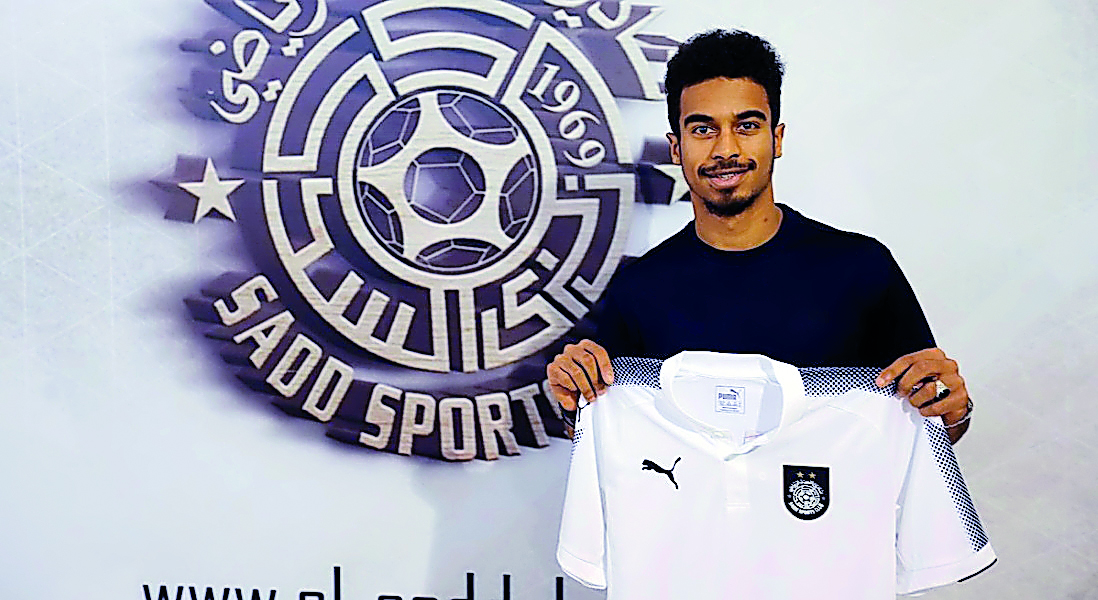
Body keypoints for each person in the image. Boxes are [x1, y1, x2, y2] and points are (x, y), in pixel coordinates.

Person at [545, 29, 973, 443]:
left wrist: (952, 408)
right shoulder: (639, 289)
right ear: (676, 148)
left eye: (747, 126)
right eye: (702, 129)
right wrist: (573, 397)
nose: (725, 149)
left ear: (777, 138)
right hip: (696, 517)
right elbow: (606, 432)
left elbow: (930, 424)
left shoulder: (861, 269)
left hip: (834, 515)